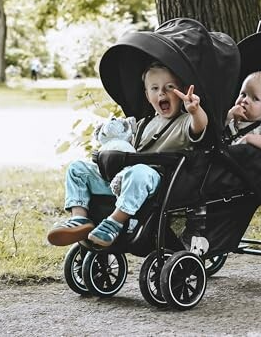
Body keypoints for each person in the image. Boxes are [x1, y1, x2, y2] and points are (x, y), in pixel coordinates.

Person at [47, 62, 208, 249]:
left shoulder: (184, 122)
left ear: (180, 92)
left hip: (158, 183)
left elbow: (199, 127)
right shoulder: (143, 124)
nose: (162, 93)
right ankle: (79, 219)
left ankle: (114, 222)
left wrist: (195, 110)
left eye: (169, 87)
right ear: (148, 96)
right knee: (77, 168)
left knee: (139, 172)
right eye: (155, 89)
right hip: (124, 180)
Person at [225, 70, 261, 152]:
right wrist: (229, 116)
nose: (245, 100)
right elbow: (214, 132)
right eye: (243, 94)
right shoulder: (230, 119)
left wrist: (248, 138)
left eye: (255, 99)